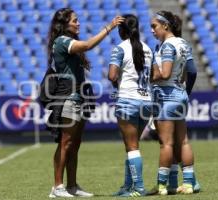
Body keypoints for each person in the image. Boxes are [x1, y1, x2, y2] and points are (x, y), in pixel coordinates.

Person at [46, 8, 124, 198]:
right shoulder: (62, 41)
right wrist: (109, 27)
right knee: (65, 143)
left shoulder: (69, 41)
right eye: (74, 21)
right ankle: (57, 187)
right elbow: (88, 45)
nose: (78, 23)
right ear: (64, 24)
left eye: (78, 20)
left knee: (75, 144)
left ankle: (72, 186)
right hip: (68, 99)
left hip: (79, 97)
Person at [149, 10, 199, 195]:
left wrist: (152, 69)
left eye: (154, 26)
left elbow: (165, 74)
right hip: (180, 95)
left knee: (166, 144)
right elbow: (192, 71)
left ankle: (163, 186)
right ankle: (188, 184)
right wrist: (186, 93)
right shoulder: (184, 43)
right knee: (183, 141)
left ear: (165, 25)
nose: (152, 30)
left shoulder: (167, 46)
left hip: (166, 97)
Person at [108, 14, 153, 197]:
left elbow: (112, 75)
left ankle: (139, 187)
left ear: (121, 30)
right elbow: (154, 75)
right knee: (132, 145)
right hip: (146, 100)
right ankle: (127, 186)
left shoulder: (119, 49)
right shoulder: (148, 49)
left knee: (132, 146)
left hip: (127, 99)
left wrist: (117, 84)